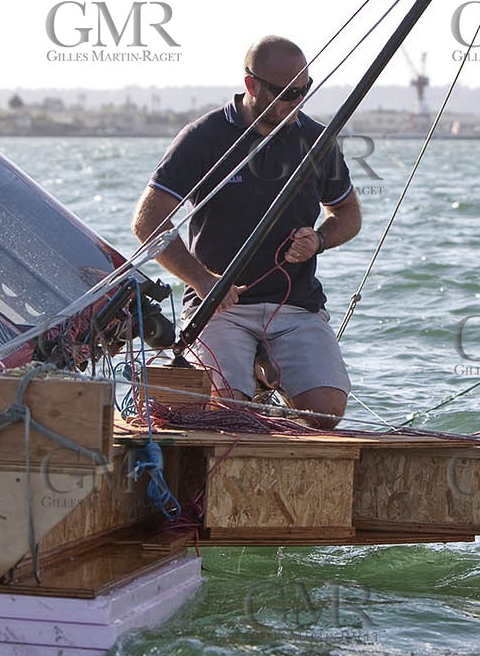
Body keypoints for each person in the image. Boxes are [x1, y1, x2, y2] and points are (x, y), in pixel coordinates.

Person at [131, 36, 360, 427]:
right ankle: (252, 372)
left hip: (296, 305)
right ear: (252, 85)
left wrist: (320, 239)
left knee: (325, 414)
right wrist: (202, 280)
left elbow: (348, 213)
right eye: (285, 93)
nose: (296, 102)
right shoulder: (204, 137)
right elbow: (147, 222)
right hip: (221, 307)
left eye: (305, 91)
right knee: (230, 415)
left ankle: (267, 369)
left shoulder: (317, 140)